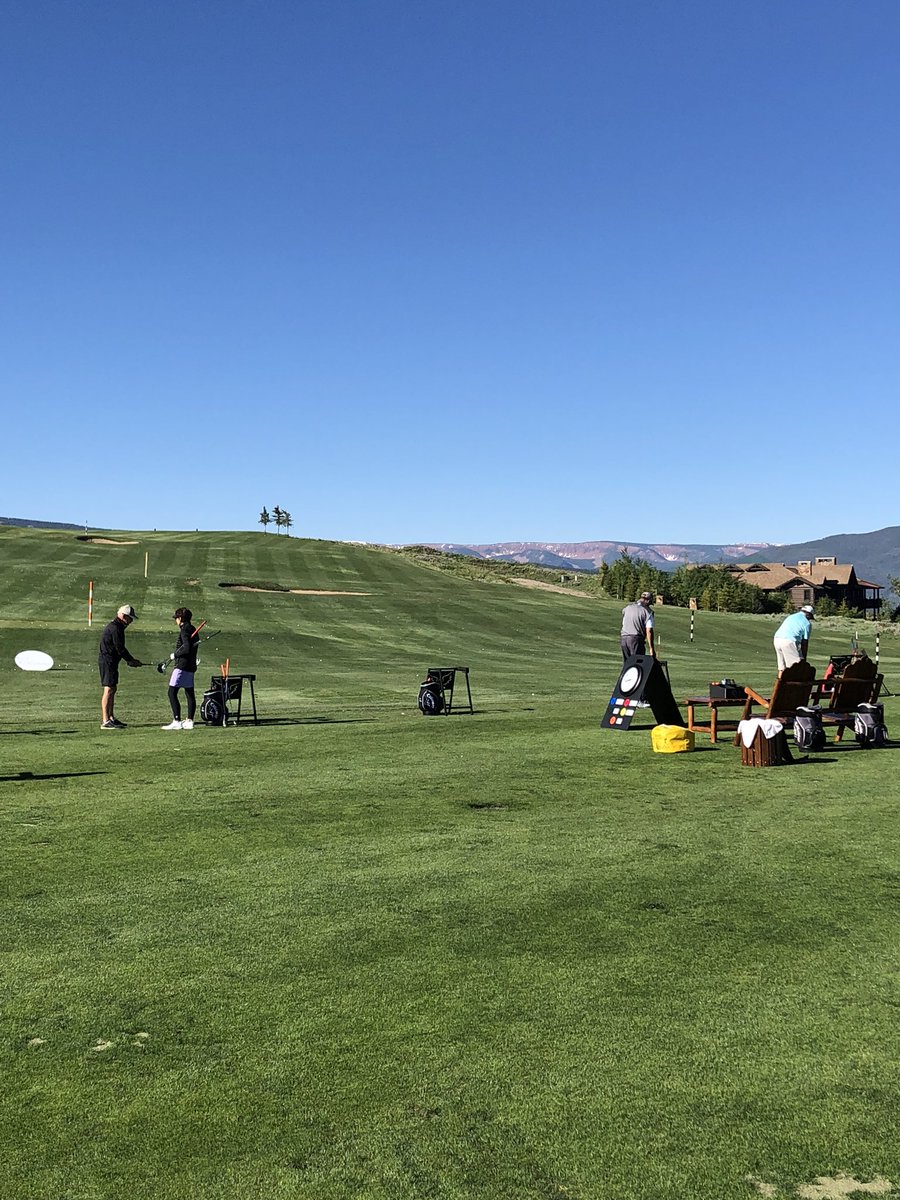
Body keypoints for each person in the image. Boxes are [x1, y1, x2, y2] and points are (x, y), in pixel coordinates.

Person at [98, 604, 143, 728]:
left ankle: (111, 717)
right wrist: (131, 660)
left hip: (111, 661)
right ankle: (105, 720)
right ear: (123, 616)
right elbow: (120, 648)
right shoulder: (115, 628)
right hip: (107, 661)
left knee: (113, 688)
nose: (131, 621)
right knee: (108, 689)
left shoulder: (117, 627)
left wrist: (130, 660)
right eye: (129, 618)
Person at [162, 607, 199, 730]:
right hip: (191, 665)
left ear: (181, 618)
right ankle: (189, 720)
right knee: (189, 693)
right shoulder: (193, 629)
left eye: (176, 618)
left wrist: (175, 655)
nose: (176, 621)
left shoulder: (184, 630)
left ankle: (177, 720)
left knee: (172, 692)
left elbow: (187, 648)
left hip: (182, 665)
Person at [773, 604, 814, 675]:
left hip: (777, 639)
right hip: (789, 641)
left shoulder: (791, 616)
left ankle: (779, 685)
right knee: (796, 668)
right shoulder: (807, 623)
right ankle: (793, 686)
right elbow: (804, 642)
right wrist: (803, 659)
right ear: (809, 615)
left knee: (782, 668)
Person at [620, 591, 656, 660]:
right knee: (637, 665)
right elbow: (649, 631)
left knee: (627, 665)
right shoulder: (647, 612)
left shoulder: (627, 608)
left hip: (624, 638)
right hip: (636, 640)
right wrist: (651, 649)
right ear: (648, 601)